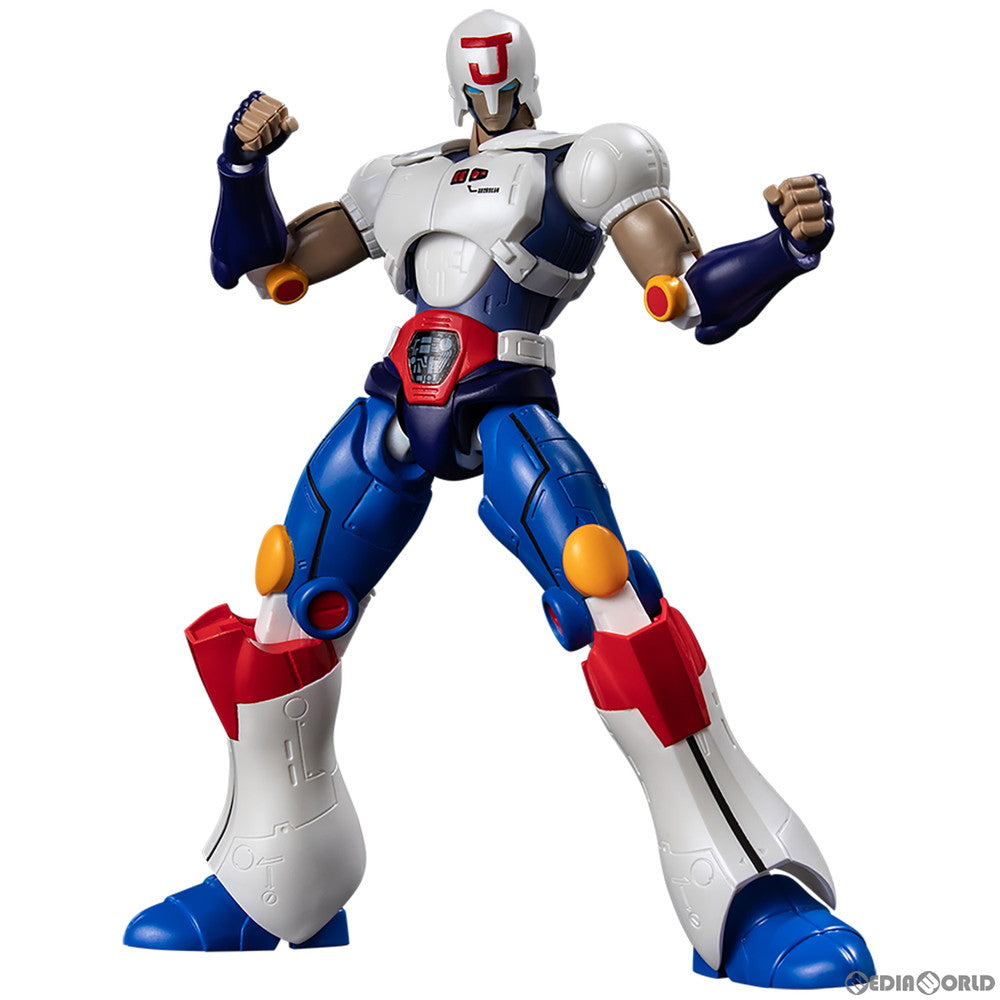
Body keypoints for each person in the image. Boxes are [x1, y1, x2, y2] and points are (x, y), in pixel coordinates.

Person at [125, 10, 874, 989]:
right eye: (475, 71)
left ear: (525, 73)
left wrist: (781, 249)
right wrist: (240, 171)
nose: (489, 83)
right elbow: (269, 269)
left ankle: (746, 896)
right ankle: (272, 887)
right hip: (393, 405)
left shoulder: (585, 161)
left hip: (507, 399)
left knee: (613, 602)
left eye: (502, 69)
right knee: (286, 611)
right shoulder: (395, 178)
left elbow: (684, 294)